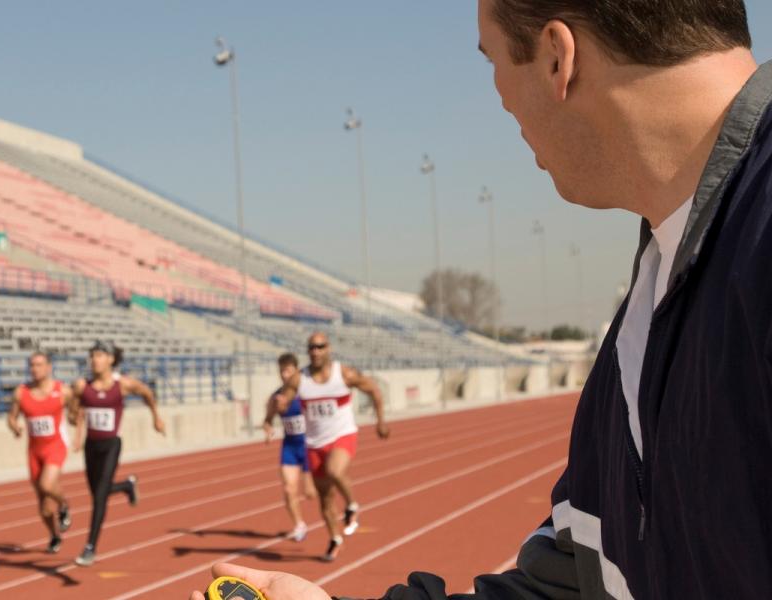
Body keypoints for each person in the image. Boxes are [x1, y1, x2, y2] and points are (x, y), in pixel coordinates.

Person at [193, 1, 772, 598]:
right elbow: (573, 585)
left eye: (490, 60)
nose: (499, 101)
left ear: (556, 57)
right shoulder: (651, 304)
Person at [277, 332, 390, 561]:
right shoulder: (301, 379)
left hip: (342, 434)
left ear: (329, 348)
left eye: (320, 346)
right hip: (314, 444)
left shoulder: (344, 374)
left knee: (335, 471)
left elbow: (374, 390)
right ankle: (335, 538)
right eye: (312, 347)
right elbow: (281, 399)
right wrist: (271, 418)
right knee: (325, 498)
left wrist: (380, 422)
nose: (316, 351)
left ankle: (352, 505)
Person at [71, 340, 166, 567]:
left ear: (111, 359)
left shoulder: (122, 384)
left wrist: (156, 416)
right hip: (91, 446)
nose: (95, 360)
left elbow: (146, 392)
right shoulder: (82, 386)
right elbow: (76, 410)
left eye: (100, 355)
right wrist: (76, 428)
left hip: (111, 445)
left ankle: (90, 547)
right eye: (92, 355)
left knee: (100, 498)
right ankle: (127, 485)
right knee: (97, 493)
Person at [7, 351, 79, 554]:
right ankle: (55, 535)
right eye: (32, 365)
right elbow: (11, 417)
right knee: (44, 507)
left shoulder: (62, 391)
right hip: (34, 451)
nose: (34, 369)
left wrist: (78, 432)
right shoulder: (21, 392)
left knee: (47, 484)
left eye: (39, 365)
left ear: (49, 367)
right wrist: (15, 427)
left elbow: (77, 413)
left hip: (55, 445)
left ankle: (64, 504)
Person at [262, 352, 317, 543]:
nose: (284, 375)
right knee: (288, 489)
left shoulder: (306, 393)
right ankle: (299, 524)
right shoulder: (276, 397)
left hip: (311, 447)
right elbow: (268, 419)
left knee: (314, 492)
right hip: (290, 447)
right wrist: (268, 429)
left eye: (288, 371)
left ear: (296, 371)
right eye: (281, 371)